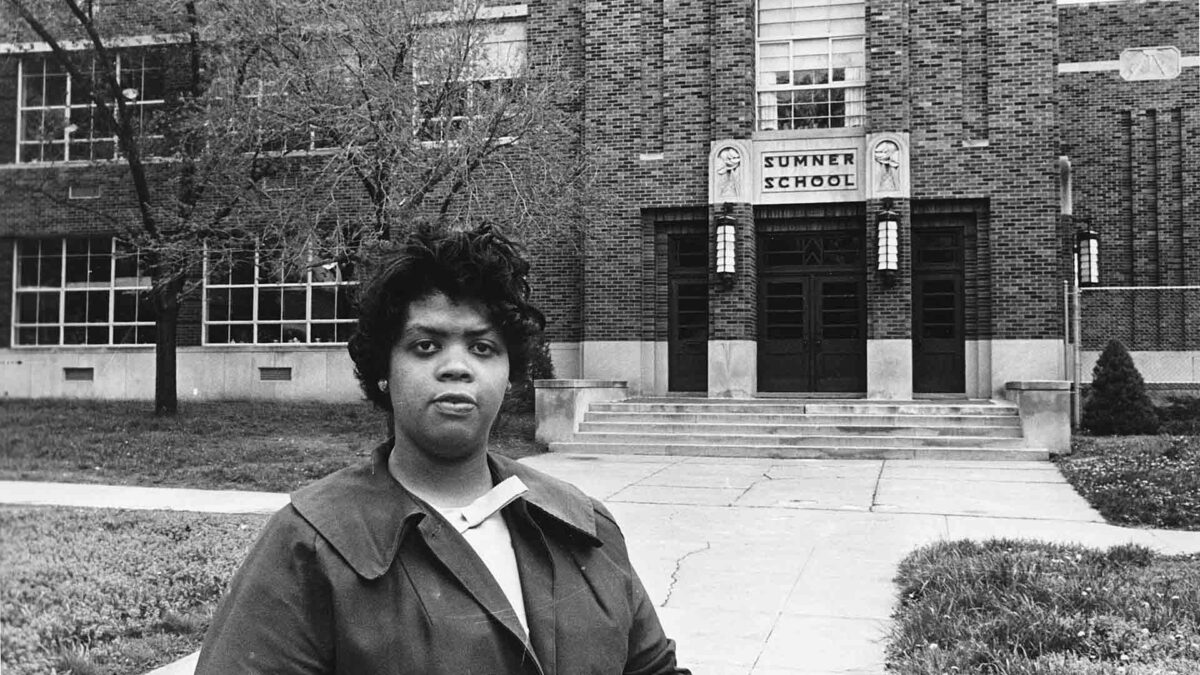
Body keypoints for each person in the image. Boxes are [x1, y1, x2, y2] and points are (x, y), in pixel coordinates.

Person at [196, 224, 690, 674]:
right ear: (384, 371)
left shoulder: (585, 527)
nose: (457, 367)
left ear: (509, 373)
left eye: (483, 347)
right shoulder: (310, 545)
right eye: (426, 346)